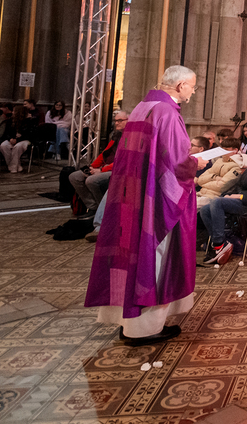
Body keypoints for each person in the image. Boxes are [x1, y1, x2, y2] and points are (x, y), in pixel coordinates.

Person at [85, 65, 200, 345]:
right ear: (181, 86)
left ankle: (128, 321)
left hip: (134, 193)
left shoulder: (142, 107)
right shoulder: (167, 113)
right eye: (193, 86)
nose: (194, 91)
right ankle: (145, 328)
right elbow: (178, 163)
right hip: (156, 200)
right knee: (154, 256)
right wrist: (197, 162)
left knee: (130, 254)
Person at [70, 111, 127, 212]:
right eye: (115, 121)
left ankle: (104, 210)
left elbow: (123, 161)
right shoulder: (116, 135)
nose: (116, 123)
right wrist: (92, 167)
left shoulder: (131, 138)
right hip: (106, 167)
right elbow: (105, 153)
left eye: (120, 120)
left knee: (92, 180)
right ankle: (93, 207)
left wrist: (101, 170)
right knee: (75, 177)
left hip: (118, 170)